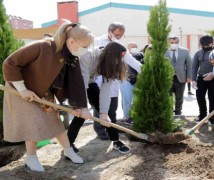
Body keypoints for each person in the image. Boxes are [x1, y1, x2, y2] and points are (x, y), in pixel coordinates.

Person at [2, 20, 94, 172]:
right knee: (33, 123)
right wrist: (22, 89)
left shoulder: (71, 56)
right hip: (21, 88)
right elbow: (10, 63)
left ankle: (68, 150)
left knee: (55, 122)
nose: (86, 50)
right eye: (84, 47)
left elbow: (76, 83)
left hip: (43, 90)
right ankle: (31, 158)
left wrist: (80, 107)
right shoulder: (43, 46)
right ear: (71, 41)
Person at [67, 22, 141, 153]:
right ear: (111, 56)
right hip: (75, 83)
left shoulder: (111, 64)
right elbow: (82, 84)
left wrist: (104, 113)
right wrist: (83, 107)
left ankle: (116, 140)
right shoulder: (87, 56)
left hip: (90, 82)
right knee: (80, 115)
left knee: (108, 114)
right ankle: (68, 144)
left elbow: (105, 91)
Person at [192, 35, 214, 125]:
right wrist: (193, 80)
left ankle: (212, 118)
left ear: (212, 43)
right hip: (201, 78)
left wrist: (212, 74)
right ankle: (202, 115)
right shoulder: (198, 53)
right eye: (202, 46)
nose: (204, 47)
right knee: (200, 97)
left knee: (212, 98)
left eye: (206, 46)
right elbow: (194, 66)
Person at [165, 35, 192, 115]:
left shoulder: (185, 51)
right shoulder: (163, 51)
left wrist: (189, 76)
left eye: (176, 42)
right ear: (168, 42)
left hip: (181, 77)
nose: (174, 44)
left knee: (179, 97)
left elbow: (189, 64)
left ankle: (178, 112)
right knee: (168, 97)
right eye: (172, 42)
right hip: (167, 78)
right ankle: (168, 113)